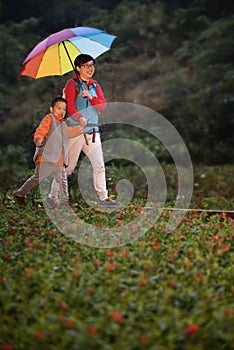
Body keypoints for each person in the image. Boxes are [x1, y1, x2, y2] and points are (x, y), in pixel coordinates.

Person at [49, 54, 119, 207]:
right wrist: (80, 118)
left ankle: (103, 198)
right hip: (76, 130)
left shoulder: (95, 86)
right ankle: (52, 196)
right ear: (78, 68)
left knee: (99, 165)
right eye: (86, 66)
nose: (90, 69)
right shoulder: (71, 84)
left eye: (92, 65)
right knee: (68, 168)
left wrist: (90, 97)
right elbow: (71, 108)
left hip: (93, 132)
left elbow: (102, 106)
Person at [13, 96, 83, 207]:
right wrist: (39, 139)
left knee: (63, 182)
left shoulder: (63, 124)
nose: (61, 111)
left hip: (59, 162)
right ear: (52, 109)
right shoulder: (49, 118)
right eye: (59, 108)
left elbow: (71, 133)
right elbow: (41, 130)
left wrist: (81, 127)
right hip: (47, 158)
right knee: (37, 178)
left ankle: (65, 203)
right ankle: (20, 193)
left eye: (64, 110)